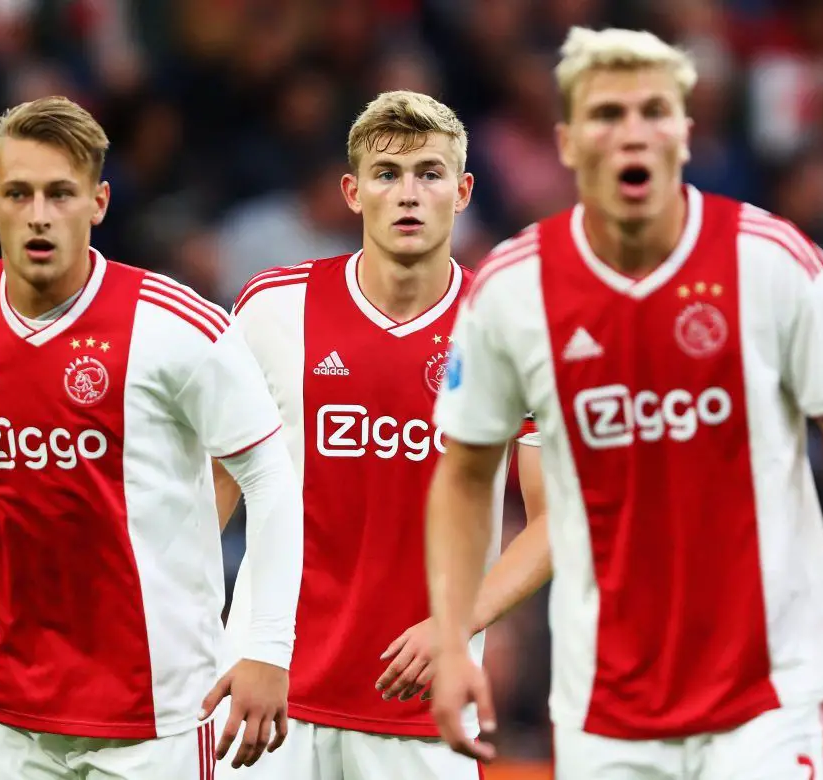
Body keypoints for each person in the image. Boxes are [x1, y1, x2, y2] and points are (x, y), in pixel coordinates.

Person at [426, 27, 823, 779]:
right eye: (607, 114)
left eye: (653, 111)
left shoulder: (770, 261)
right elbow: (465, 475)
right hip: (602, 703)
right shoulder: (512, 289)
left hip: (769, 692)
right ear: (567, 142)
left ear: (686, 134)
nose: (633, 132)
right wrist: (453, 638)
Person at [0, 96, 303, 779]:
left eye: (60, 193)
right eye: (19, 193)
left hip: (159, 715)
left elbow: (270, 475)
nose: (39, 214)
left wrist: (268, 649)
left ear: (98, 202)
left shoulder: (177, 328)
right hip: (8, 713)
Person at [209, 90, 550, 780]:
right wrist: (180, 640)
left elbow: (559, 517)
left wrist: (456, 622)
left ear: (463, 191)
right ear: (352, 191)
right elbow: (213, 490)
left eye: (430, 173)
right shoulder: (273, 308)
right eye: (387, 174)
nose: (408, 194)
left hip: (424, 701)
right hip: (268, 685)